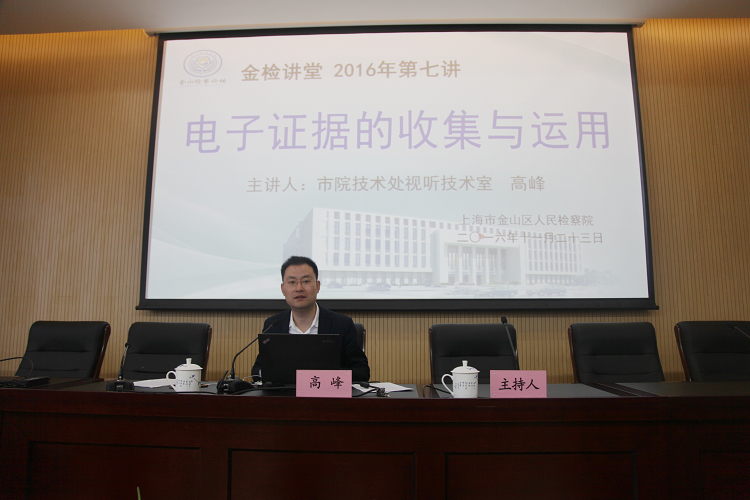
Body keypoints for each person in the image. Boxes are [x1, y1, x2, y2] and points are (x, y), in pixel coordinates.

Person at [251, 256, 370, 381]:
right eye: (292, 282)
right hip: (284, 393)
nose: (299, 288)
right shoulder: (273, 325)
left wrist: (327, 376)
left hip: (327, 393)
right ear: (283, 289)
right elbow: (257, 370)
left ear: (318, 286)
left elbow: (361, 371)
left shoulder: (342, 324)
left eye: (306, 281)